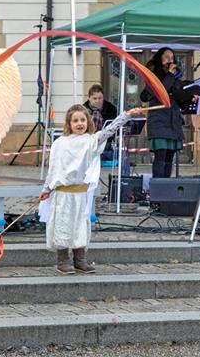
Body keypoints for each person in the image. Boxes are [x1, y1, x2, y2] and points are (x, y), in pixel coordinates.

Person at [38, 104, 140, 274]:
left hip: (80, 193)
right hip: (63, 193)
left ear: (88, 122)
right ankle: (62, 259)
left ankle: (80, 259)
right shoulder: (60, 143)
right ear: (69, 124)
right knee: (63, 225)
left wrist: (127, 115)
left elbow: (109, 130)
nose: (80, 123)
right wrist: (46, 188)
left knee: (80, 226)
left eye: (83, 120)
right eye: (75, 120)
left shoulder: (91, 141)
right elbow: (53, 169)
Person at [140, 47, 195, 178]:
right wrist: (170, 75)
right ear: (160, 58)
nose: (170, 60)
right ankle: (158, 188)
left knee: (170, 156)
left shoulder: (175, 78)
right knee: (161, 154)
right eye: (167, 57)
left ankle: (166, 187)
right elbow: (160, 92)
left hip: (173, 121)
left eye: (172, 57)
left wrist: (190, 98)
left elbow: (179, 99)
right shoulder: (152, 74)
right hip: (159, 121)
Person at [82, 84, 118, 161]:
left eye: (100, 98)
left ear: (103, 98)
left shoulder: (111, 109)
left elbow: (113, 128)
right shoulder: (83, 110)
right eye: (94, 98)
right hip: (88, 143)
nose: (97, 101)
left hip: (107, 143)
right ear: (89, 98)